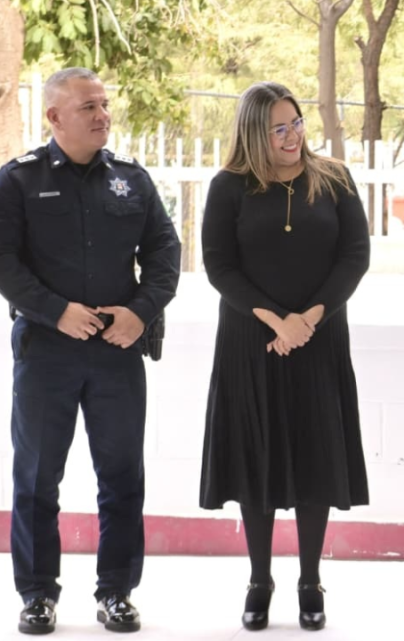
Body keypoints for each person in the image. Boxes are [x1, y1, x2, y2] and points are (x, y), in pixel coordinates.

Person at [0, 67, 181, 635]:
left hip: (116, 350)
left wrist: (140, 311)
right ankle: (36, 595)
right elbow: (3, 261)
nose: (103, 115)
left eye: (104, 105)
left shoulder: (131, 179)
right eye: (88, 107)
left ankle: (117, 592)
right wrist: (56, 310)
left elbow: (164, 251)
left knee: (123, 476)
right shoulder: (18, 181)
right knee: (35, 480)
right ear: (54, 117)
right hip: (46, 352)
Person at [198, 81, 371, 632]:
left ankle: (311, 579)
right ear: (255, 132)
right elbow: (219, 266)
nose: (292, 135)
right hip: (251, 343)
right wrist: (277, 321)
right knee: (256, 459)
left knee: (316, 458)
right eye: (279, 127)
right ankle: (259, 579)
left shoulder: (335, 178)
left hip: (320, 340)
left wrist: (309, 320)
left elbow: (355, 256)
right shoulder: (229, 186)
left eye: (295, 122)